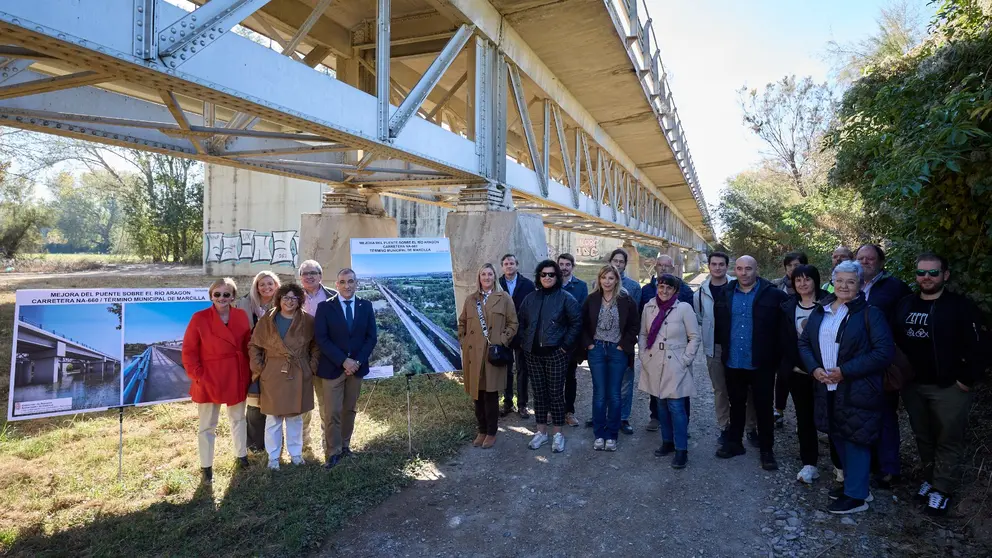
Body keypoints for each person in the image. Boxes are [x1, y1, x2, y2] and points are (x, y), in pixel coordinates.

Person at [799, 260, 894, 514]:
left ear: (860, 284)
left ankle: (857, 497)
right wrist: (814, 369)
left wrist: (844, 372)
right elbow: (804, 343)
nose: (843, 285)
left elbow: (884, 352)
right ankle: (856, 485)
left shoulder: (870, 313)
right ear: (833, 281)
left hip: (857, 387)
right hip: (826, 386)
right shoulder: (822, 309)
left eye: (850, 281)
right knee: (838, 434)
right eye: (839, 280)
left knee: (856, 439)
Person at [894, 253, 983, 515]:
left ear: (945, 275)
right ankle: (930, 479)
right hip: (913, 385)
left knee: (948, 437)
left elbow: (981, 346)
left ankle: (942, 489)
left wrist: (966, 379)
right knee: (923, 435)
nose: (927, 278)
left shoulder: (961, 307)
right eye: (922, 273)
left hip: (948, 387)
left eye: (933, 273)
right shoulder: (905, 304)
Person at [713, 255, 788, 471]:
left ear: (756, 269)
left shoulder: (773, 295)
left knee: (764, 407)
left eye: (748, 269)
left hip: (761, 363)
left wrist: (778, 357)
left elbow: (784, 328)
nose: (743, 273)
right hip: (733, 360)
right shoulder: (727, 293)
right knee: (736, 404)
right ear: (734, 270)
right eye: (739, 268)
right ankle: (735, 443)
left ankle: (767, 450)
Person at [182, 278, 252, 484]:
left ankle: (241, 456)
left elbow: (247, 344)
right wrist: (198, 376)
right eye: (217, 294)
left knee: (238, 418)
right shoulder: (199, 318)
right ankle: (206, 467)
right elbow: (188, 351)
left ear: (233, 297)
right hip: (209, 377)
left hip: (236, 374)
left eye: (227, 294)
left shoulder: (240, 315)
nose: (222, 298)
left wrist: (250, 371)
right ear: (211, 295)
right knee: (206, 425)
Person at [856, 243, 912, 489]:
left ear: (881, 262)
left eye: (870, 258)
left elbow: (907, 323)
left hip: (883, 362)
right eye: (860, 258)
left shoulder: (896, 288)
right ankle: (867, 462)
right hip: (854, 361)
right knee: (860, 412)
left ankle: (889, 468)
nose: (865, 262)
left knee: (886, 414)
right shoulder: (849, 284)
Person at [248, 283, 320, 470]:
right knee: (274, 417)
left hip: (299, 371)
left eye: (294, 298)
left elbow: (316, 346)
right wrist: (261, 367)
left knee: (295, 417)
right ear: (279, 299)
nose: (289, 301)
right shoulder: (267, 320)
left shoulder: (308, 321)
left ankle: (295, 454)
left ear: (299, 301)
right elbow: (254, 345)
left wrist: (310, 366)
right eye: (285, 297)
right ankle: (273, 457)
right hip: (272, 372)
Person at [313, 268, 377, 469]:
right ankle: (333, 452)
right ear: (337, 284)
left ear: (356, 283)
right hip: (333, 369)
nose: (347, 285)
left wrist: (356, 361)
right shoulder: (325, 307)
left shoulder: (366, 306)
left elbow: (371, 338)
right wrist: (343, 361)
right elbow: (321, 339)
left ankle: (346, 446)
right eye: (342, 282)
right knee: (332, 412)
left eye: (351, 281)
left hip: (356, 368)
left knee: (349, 410)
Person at [517, 260, 581, 453]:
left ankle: (558, 434)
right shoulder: (530, 298)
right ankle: (541, 432)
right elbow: (521, 322)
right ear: (538, 276)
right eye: (543, 274)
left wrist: (564, 347)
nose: (547, 278)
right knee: (539, 394)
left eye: (551, 274)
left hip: (556, 354)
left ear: (557, 277)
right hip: (533, 355)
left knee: (555, 394)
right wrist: (524, 343)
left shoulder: (565, 298)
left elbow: (576, 323)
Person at [695, 252, 758, 445]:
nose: (717, 268)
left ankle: (750, 428)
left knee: (747, 390)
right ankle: (725, 426)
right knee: (720, 390)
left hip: (739, 346)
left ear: (727, 266)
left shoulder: (736, 287)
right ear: (709, 266)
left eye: (721, 264)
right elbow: (700, 318)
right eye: (713, 264)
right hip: (715, 347)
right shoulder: (700, 292)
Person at [640, 274, 700, 468]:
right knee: (661, 405)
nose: (664, 291)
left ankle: (681, 449)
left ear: (676, 290)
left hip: (676, 363)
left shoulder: (684, 308)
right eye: (661, 287)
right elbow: (643, 333)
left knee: (676, 407)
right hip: (654, 361)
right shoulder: (649, 307)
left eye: (669, 288)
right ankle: (667, 442)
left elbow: (694, 337)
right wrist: (643, 355)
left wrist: (685, 360)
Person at [458, 264, 519, 449]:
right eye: (483, 274)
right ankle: (481, 430)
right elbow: (462, 323)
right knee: (477, 395)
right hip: (473, 356)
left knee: (490, 395)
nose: (486, 277)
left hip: (493, 354)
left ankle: (492, 432)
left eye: (490, 274)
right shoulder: (471, 300)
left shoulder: (504, 298)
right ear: (479, 277)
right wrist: (464, 341)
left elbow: (513, 323)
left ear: (494, 277)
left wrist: (502, 340)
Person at [779, 264, 829, 484]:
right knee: (804, 418)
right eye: (798, 280)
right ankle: (809, 464)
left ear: (815, 281)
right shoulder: (788, 307)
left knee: (832, 418)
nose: (803, 283)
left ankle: (840, 465)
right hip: (799, 373)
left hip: (827, 373)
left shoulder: (829, 303)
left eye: (807, 279)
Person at [579, 265, 639, 452]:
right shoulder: (591, 299)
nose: (607, 281)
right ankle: (599, 434)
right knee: (599, 393)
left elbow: (634, 326)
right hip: (596, 349)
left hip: (617, 350)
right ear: (599, 279)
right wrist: (589, 344)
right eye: (604, 278)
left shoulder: (625, 300)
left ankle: (612, 434)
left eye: (611, 278)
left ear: (616, 280)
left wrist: (623, 345)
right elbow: (581, 324)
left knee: (614, 394)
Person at [641, 253, 694, 432]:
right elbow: (644, 326)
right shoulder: (647, 290)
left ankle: (681, 427)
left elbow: (690, 326)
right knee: (656, 388)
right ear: (656, 266)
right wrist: (643, 353)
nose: (663, 268)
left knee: (679, 394)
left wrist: (686, 357)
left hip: (676, 351)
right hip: (655, 350)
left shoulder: (685, 290)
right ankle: (656, 417)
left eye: (667, 265)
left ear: (673, 268)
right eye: (660, 265)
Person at [237, 270, 281, 454]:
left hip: (276, 358)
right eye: (262, 284)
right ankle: (255, 445)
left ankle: (275, 444)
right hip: (253, 357)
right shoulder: (246, 303)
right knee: (254, 402)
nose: (266, 287)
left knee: (274, 402)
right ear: (256, 286)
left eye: (270, 283)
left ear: (276, 285)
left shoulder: (283, 302)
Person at [298, 260, 337, 453]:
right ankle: (304, 444)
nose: (309, 276)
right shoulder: (292, 297)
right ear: (300, 277)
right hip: (301, 358)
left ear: (321, 276)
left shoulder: (333, 295)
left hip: (326, 358)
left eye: (313, 272)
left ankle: (326, 442)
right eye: (305, 273)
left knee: (325, 403)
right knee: (303, 404)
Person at [499, 253, 536, 418]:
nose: (509, 266)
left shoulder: (528, 285)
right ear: (502, 267)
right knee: (506, 369)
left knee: (523, 369)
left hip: (521, 333)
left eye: (512, 263)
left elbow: (532, 311)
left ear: (517, 265)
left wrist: (527, 333)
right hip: (503, 333)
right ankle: (507, 403)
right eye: (506, 264)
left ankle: (522, 404)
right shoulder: (497, 284)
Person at [609, 248, 641, 435]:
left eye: (621, 262)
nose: (618, 264)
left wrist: (628, 342)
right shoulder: (600, 281)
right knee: (604, 381)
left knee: (625, 381)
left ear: (625, 264)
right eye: (615, 260)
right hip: (603, 341)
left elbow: (634, 317)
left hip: (624, 342)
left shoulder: (634, 287)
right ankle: (603, 415)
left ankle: (623, 417)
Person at [558, 253, 588, 427]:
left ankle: (569, 411)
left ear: (572, 266)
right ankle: (553, 410)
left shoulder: (581, 286)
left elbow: (581, 315)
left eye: (567, 264)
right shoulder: (550, 284)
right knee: (553, 379)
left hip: (570, 342)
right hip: (552, 341)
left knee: (570, 378)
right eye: (561, 264)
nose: (564, 267)